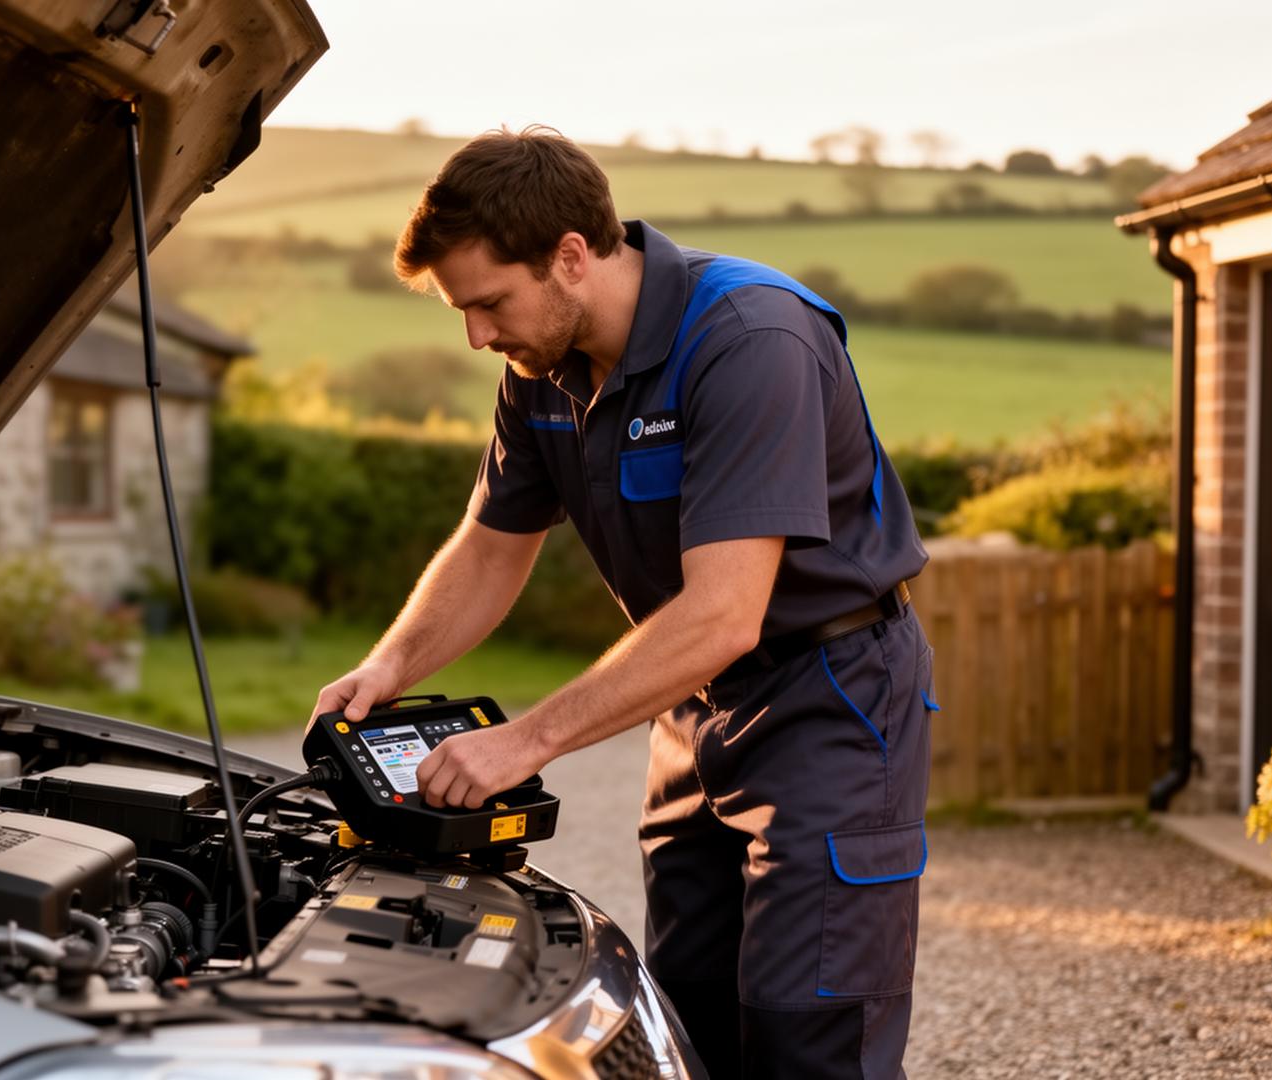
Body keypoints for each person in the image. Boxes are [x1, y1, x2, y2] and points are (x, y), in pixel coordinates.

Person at [311, 126, 937, 1080]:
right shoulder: (539, 372)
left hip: (831, 698)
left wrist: (523, 742)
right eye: (460, 312)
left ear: (571, 256)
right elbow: (489, 548)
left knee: (803, 1031)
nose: (477, 335)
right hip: (690, 706)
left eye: (487, 303)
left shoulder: (749, 339)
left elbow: (725, 612)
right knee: (680, 1014)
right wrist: (387, 668)